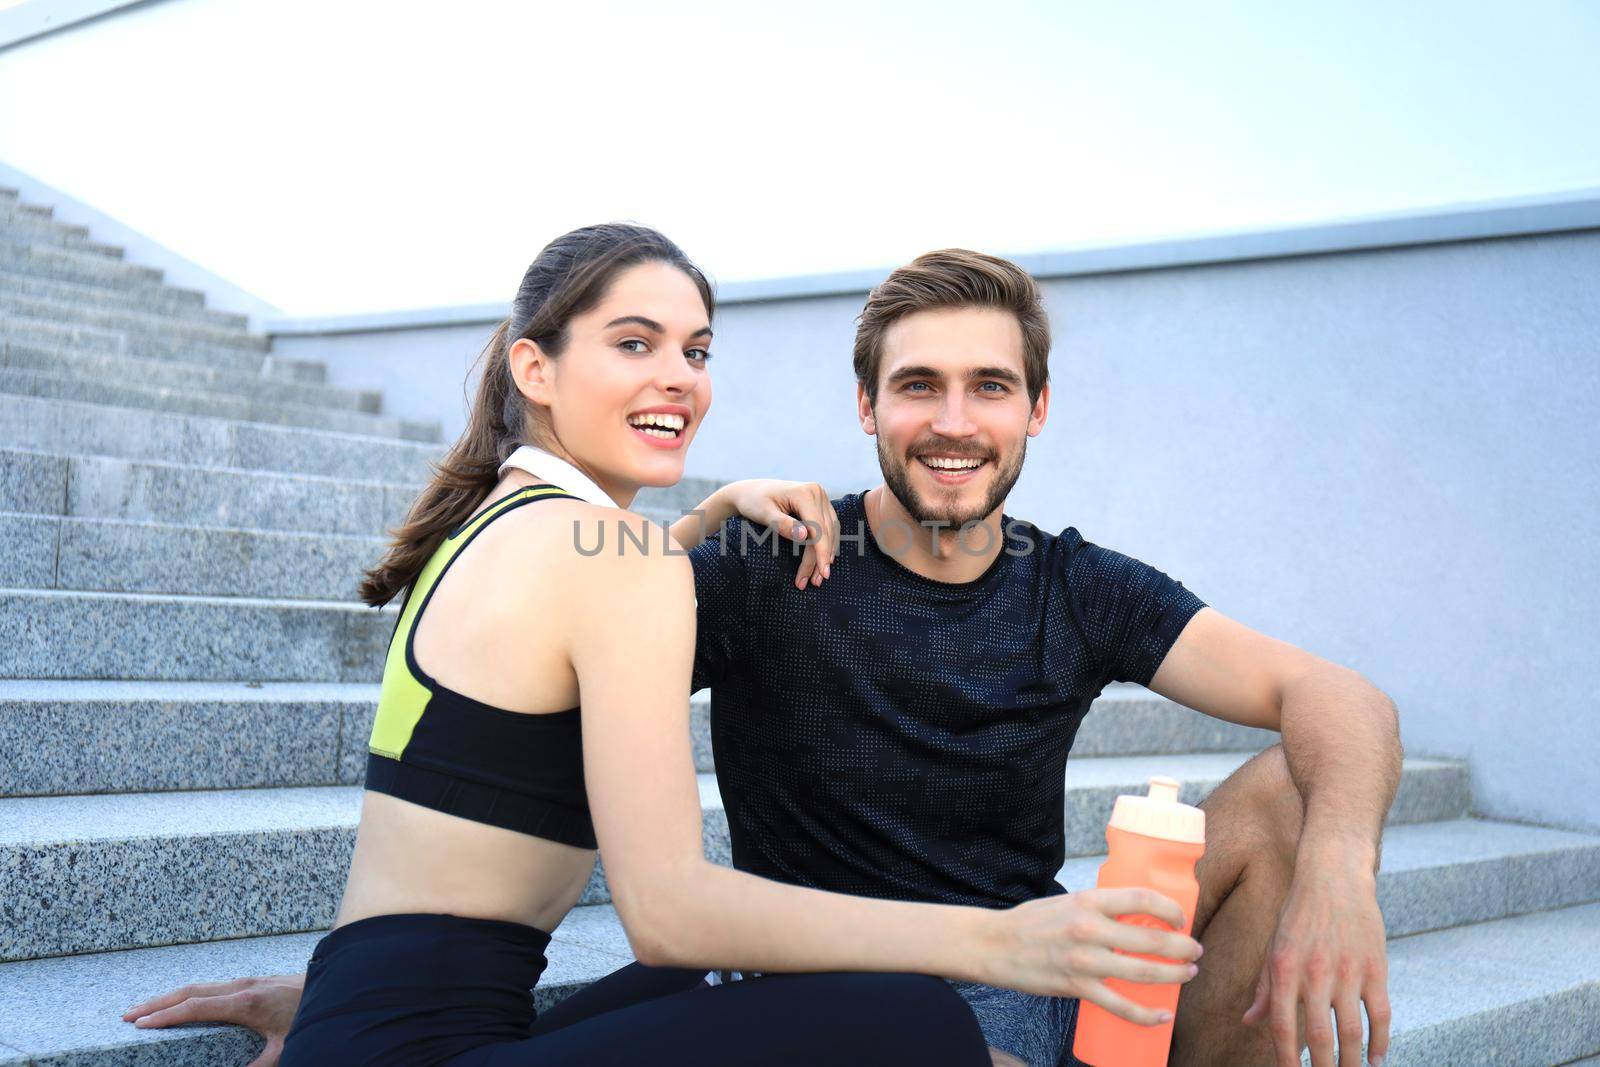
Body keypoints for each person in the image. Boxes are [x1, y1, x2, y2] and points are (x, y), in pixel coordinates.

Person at [123, 227, 1205, 1067]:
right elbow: (669, 908)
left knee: (723, 988)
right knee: (912, 1015)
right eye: (633, 344)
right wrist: (1004, 942)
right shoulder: (617, 557)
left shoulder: (493, 526)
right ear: (535, 368)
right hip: (426, 1040)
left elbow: (566, 631)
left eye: (694, 350)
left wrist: (698, 519)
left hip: (369, 1013)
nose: (678, 376)